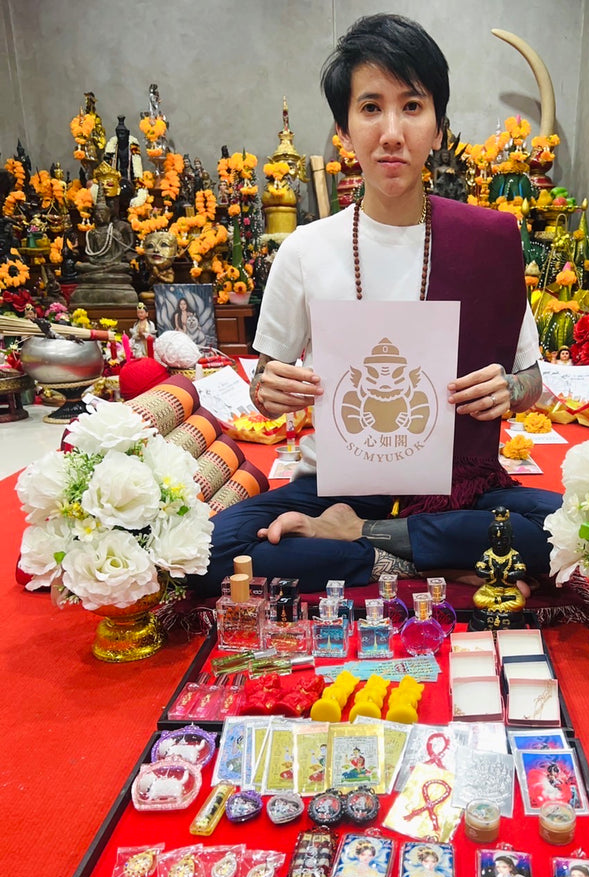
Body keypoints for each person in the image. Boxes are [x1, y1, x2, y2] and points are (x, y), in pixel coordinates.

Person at [197, 14, 561, 596]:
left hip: (453, 487)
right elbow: (264, 384)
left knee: (568, 529)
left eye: (412, 107)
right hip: (339, 485)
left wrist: (508, 389)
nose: (392, 132)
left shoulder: (487, 243)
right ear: (344, 131)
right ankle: (425, 556)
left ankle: (364, 542)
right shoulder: (305, 249)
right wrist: (270, 390)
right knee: (215, 550)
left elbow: (530, 379)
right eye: (371, 108)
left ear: (438, 129)